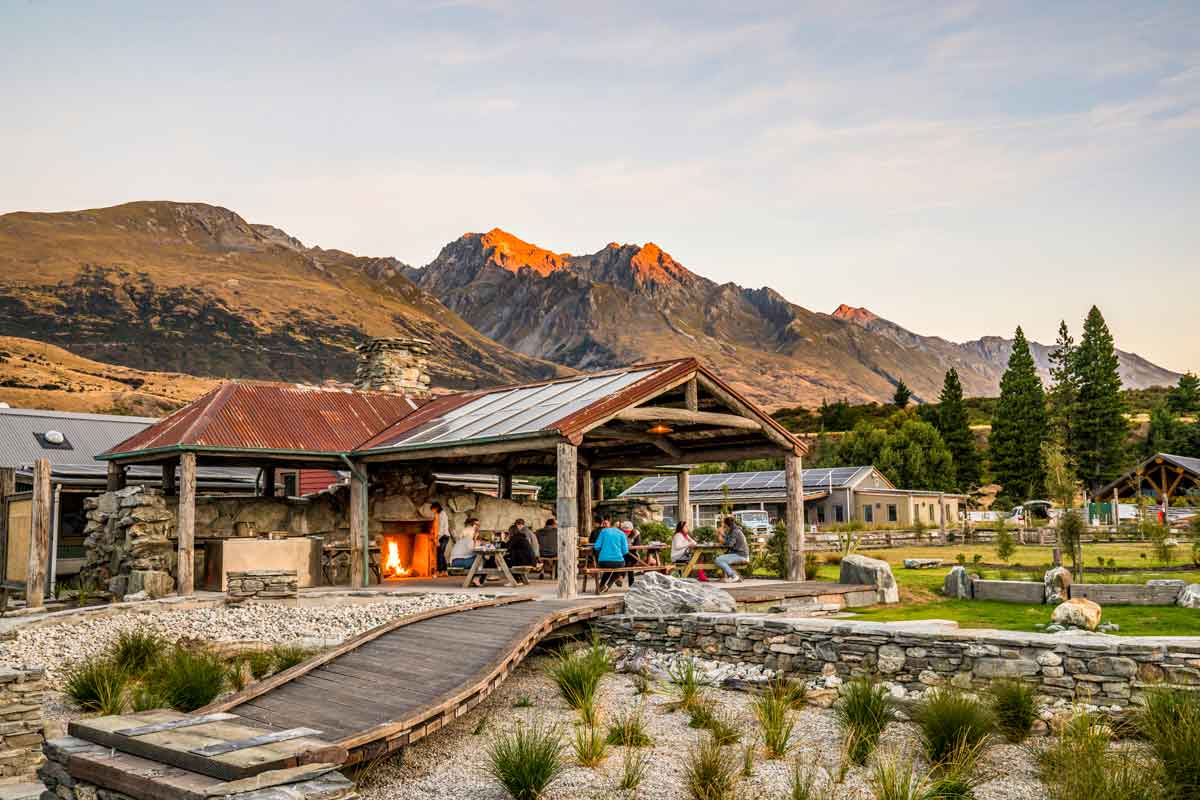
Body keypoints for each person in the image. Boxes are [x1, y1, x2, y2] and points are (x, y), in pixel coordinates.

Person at [593, 517, 629, 592]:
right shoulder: (622, 534)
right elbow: (625, 551)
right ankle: (608, 585)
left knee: (608, 569)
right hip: (618, 562)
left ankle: (601, 586)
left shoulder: (604, 531)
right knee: (619, 567)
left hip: (603, 562)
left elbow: (597, 546)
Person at [449, 517, 486, 587]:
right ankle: (476, 579)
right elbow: (473, 550)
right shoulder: (469, 539)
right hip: (459, 562)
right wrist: (479, 544)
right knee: (480, 558)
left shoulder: (462, 539)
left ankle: (473, 580)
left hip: (454, 561)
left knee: (479, 559)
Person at [715, 515, 750, 582]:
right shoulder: (733, 530)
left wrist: (722, 539)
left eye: (724, 525)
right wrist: (722, 534)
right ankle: (731, 576)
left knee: (719, 560)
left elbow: (730, 544)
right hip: (739, 554)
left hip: (741, 555)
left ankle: (734, 576)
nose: (724, 527)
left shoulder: (735, 531)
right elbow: (729, 539)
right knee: (721, 558)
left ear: (727, 525)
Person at [619, 521, 640, 586]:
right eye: (625, 531)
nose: (626, 533)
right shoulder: (620, 533)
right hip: (623, 554)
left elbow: (637, 545)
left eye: (628, 531)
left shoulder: (636, 534)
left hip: (633, 555)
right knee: (628, 564)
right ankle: (631, 584)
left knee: (628, 563)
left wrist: (630, 546)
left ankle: (621, 577)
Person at [432, 502, 450, 575]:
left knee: (440, 554)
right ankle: (444, 571)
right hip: (441, 536)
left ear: (436, 508)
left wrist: (437, 538)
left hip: (444, 536)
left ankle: (440, 571)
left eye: (433, 509)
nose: (432, 511)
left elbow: (442, 527)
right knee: (440, 553)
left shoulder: (443, 514)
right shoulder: (439, 515)